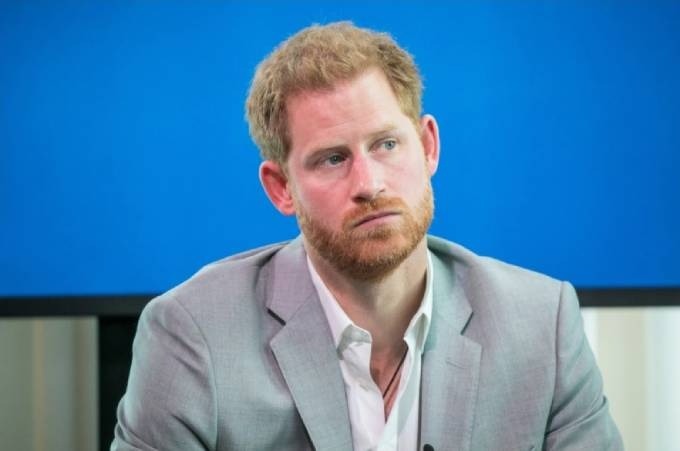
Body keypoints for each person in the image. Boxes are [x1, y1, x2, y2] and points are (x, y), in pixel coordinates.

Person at [111, 22, 623, 450]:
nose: (369, 184)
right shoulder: (193, 336)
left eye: (386, 145)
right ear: (281, 188)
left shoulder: (542, 326)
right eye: (333, 158)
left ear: (428, 147)